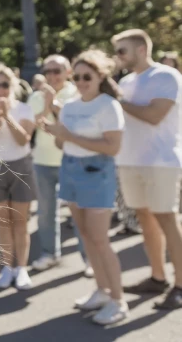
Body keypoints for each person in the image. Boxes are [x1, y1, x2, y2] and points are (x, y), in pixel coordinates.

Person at [42, 50, 128, 324]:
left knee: (100, 239)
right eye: (76, 76)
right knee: (86, 235)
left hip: (97, 172)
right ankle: (102, 291)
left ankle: (119, 300)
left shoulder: (108, 105)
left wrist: (68, 135)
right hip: (70, 169)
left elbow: (113, 147)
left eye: (86, 76)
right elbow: (62, 144)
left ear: (100, 76)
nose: (80, 81)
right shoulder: (70, 106)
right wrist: (57, 134)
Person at [112, 29, 182, 309]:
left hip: (161, 161)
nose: (118, 57)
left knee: (167, 219)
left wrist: (118, 100)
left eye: (122, 51)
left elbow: (154, 116)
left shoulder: (166, 76)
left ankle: (180, 284)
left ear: (141, 49)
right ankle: (157, 277)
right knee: (145, 218)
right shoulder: (126, 81)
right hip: (130, 160)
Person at [0, 64, 36, 290]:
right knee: (3, 221)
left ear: (13, 86)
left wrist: (8, 118)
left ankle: (22, 268)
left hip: (21, 166)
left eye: (5, 85)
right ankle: (7, 268)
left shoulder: (24, 109)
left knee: (20, 222)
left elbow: (24, 140)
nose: (1, 90)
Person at [27, 55, 87, 273]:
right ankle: (49, 254)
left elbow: (75, 126)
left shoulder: (78, 92)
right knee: (45, 212)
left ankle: (89, 259)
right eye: (48, 71)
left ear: (68, 72)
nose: (52, 76)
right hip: (43, 161)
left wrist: (53, 104)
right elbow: (31, 127)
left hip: (72, 160)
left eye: (57, 71)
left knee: (80, 211)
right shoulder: (35, 96)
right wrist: (46, 105)